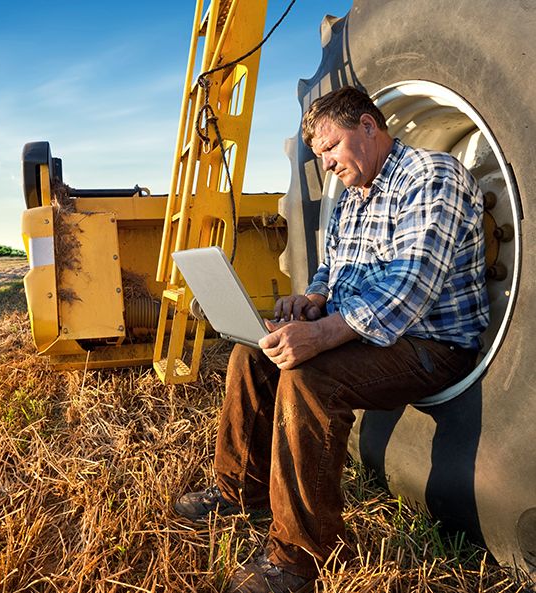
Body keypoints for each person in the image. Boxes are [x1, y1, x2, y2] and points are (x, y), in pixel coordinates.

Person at [174, 86, 489, 593]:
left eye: (330, 147)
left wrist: (320, 336)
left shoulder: (430, 177)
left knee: (308, 377)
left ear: (368, 126)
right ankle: (239, 491)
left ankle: (298, 558)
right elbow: (335, 267)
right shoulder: (353, 195)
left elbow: (408, 290)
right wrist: (314, 300)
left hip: (432, 345)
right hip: (371, 336)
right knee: (253, 355)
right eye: (318, 155)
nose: (325, 164)